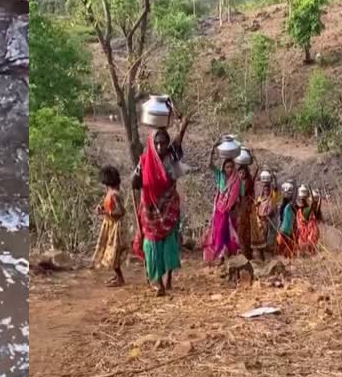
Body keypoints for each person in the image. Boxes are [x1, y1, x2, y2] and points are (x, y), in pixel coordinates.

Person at [132, 117, 190, 296]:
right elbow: (134, 184)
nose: (160, 147)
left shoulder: (171, 157)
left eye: (163, 143)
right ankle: (156, 280)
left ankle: (167, 278)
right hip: (150, 211)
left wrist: (183, 126)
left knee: (169, 244)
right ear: (152, 143)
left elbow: (179, 141)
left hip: (169, 207)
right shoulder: (144, 161)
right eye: (157, 143)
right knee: (151, 244)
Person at [203, 142, 241, 263]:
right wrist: (212, 149)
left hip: (229, 211)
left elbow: (238, 195)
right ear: (223, 167)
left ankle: (223, 255)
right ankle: (221, 254)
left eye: (231, 167)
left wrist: (232, 207)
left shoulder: (236, 179)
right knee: (218, 231)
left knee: (224, 231)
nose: (229, 169)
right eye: (227, 167)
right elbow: (209, 165)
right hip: (219, 209)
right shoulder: (220, 176)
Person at [92, 165, 128, 287]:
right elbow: (111, 208)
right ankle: (118, 276)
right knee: (111, 251)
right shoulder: (111, 193)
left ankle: (120, 278)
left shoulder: (114, 194)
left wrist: (105, 212)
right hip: (110, 225)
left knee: (113, 252)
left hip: (115, 226)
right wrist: (103, 208)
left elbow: (121, 212)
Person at [250, 172, 279, 261]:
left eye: (267, 188)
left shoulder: (273, 197)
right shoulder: (259, 199)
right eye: (264, 188)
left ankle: (268, 259)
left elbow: (276, 189)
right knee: (260, 243)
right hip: (260, 223)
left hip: (269, 222)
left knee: (268, 242)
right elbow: (256, 209)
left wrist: (274, 179)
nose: (266, 190)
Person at [236, 153, 258, 260]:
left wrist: (252, 157)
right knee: (240, 230)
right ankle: (242, 251)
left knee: (248, 231)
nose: (241, 174)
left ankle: (248, 253)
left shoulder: (249, 181)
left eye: (243, 172)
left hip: (248, 208)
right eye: (239, 172)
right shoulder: (236, 183)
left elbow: (257, 169)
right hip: (240, 208)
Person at [295, 186, 321, 255]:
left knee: (306, 246)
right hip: (303, 231)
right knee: (306, 246)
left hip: (303, 231)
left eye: (301, 201)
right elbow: (313, 203)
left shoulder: (304, 210)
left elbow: (313, 204)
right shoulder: (303, 210)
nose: (300, 202)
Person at [276, 181, 297, 258]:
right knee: (282, 244)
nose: (287, 194)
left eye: (289, 193)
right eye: (286, 193)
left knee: (290, 245)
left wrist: (295, 187)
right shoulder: (283, 205)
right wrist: (278, 227)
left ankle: (290, 258)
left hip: (289, 229)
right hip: (283, 229)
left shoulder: (291, 205)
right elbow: (281, 218)